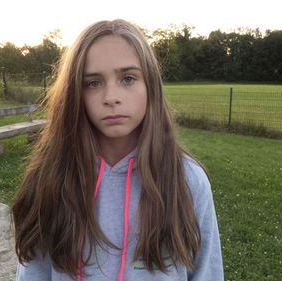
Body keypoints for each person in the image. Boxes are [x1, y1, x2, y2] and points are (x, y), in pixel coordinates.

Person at [12, 19, 223, 281]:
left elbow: (206, 273)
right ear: (74, 93)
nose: (111, 97)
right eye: (93, 83)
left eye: (128, 78)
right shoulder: (51, 177)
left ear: (151, 87)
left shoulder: (188, 181)